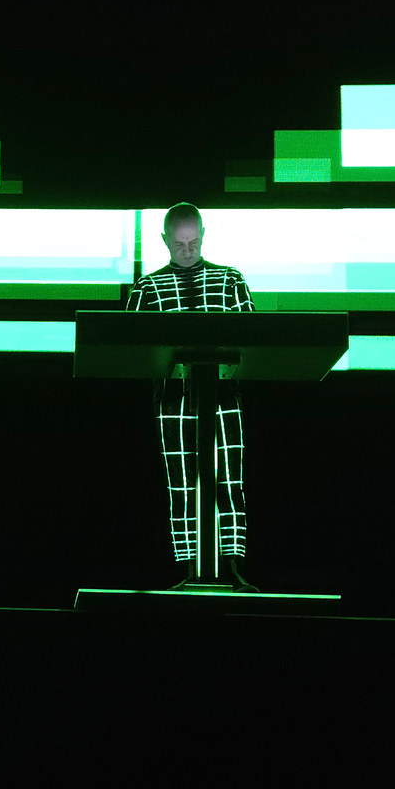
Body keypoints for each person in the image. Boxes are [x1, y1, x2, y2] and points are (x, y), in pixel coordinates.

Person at [127, 203, 258, 591]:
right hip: (173, 400)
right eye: (179, 244)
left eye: (194, 242)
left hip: (223, 396)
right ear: (164, 240)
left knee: (229, 482)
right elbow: (129, 344)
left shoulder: (230, 280)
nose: (187, 250)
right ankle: (189, 570)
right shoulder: (147, 288)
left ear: (204, 236)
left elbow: (253, 337)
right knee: (182, 485)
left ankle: (232, 567)